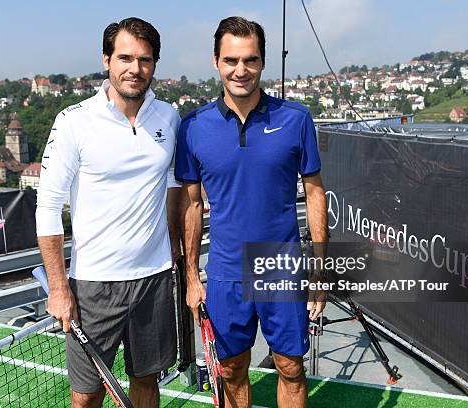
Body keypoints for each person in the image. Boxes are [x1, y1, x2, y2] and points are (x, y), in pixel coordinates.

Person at [175, 16, 328, 408]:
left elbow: (314, 194)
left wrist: (321, 271)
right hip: (226, 273)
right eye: (231, 60)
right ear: (216, 61)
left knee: (291, 367)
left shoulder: (296, 119)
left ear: (262, 62)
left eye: (250, 60)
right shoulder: (192, 127)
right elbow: (191, 205)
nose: (240, 70)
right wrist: (192, 278)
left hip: (282, 268)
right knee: (231, 371)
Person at [36, 17, 181, 408]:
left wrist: (177, 256)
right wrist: (59, 288)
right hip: (93, 285)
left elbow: (173, 188)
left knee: (147, 383)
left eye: (146, 60)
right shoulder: (73, 121)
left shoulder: (169, 117)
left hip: (153, 280)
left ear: (154, 65)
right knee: (86, 396)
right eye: (125, 58)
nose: (135, 69)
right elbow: (48, 206)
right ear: (106, 60)